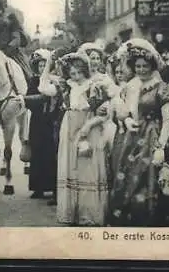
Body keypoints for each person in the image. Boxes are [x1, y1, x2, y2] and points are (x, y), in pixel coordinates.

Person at [109, 38, 169, 226]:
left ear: (152, 65)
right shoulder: (131, 86)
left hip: (153, 135)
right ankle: (128, 217)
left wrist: (161, 147)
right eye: (137, 66)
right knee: (127, 174)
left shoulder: (161, 87)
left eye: (144, 66)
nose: (141, 70)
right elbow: (122, 112)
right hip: (132, 136)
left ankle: (150, 219)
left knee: (149, 176)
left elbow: (168, 119)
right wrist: (128, 119)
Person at [55, 52, 111, 226]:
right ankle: (72, 211)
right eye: (73, 74)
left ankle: (88, 213)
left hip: (88, 125)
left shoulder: (94, 86)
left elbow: (104, 108)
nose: (77, 77)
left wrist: (88, 126)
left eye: (79, 72)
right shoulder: (68, 87)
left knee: (87, 165)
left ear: (85, 71)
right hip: (70, 125)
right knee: (70, 165)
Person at [24, 49, 62, 201]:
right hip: (38, 121)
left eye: (44, 66)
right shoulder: (34, 81)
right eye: (39, 66)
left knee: (52, 154)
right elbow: (28, 100)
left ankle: (53, 188)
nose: (41, 69)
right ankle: (37, 188)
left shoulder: (56, 81)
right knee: (37, 152)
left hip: (51, 121)